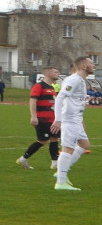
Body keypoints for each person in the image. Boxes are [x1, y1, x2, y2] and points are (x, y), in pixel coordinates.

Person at [51, 56, 96, 191]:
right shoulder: (74, 80)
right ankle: (61, 182)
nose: (94, 65)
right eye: (91, 63)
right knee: (68, 149)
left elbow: (75, 102)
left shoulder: (81, 81)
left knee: (84, 145)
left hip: (76, 120)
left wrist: (81, 119)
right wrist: (58, 120)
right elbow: (60, 98)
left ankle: (60, 172)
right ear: (83, 66)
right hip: (69, 120)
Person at [16, 66, 61, 170]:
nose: (58, 73)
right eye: (56, 71)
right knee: (43, 141)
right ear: (49, 74)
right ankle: (23, 158)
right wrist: (33, 116)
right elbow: (33, 101)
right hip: (42, 118)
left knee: (54, 139)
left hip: (53, 119)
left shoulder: (52, 87)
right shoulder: (39, 86)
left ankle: (55, 163)